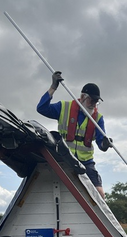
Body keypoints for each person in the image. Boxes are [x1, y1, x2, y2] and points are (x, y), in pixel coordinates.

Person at [37, 71, 112, 199]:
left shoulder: (97, 118)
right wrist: (53, 87)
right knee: (60, 190)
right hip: (64, 157)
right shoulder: (64, 107)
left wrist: (105, 143)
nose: (94, 104)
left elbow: (101, 144)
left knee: (100, 194)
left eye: (96, 101)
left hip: (86, 162)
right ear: (83, 97)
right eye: (91, 100)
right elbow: (41, 108)